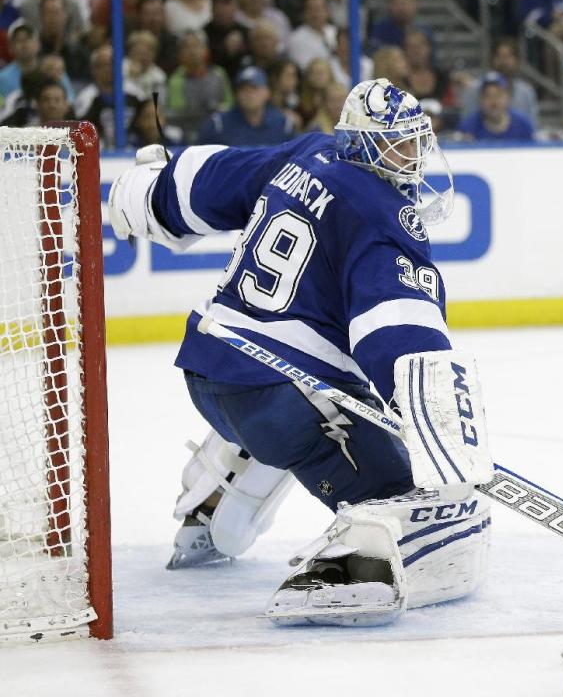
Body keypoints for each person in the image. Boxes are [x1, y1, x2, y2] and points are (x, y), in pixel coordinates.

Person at [106, 77, 493, 627]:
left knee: (335, 401)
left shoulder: (308, 152)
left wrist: (148, 193)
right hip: (282, 401)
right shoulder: (385, 215)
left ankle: (214, 503)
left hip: (210, 369)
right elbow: (396, 331)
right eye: (396, 143)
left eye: (416, 141)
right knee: (417, 509)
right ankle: (338, 575)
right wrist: (439, 423)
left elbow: (208, 182)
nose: (411, 157)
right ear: (360, 143)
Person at [195, 65, 294, 146]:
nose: (248, 93)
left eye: (254, 88)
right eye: (243, 89)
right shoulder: (218, 125)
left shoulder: (283, 124)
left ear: (267, 93)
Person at [457, 71, 535, 141]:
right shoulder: (468, 127)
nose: (493, 101)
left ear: (507, 97)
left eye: (498, 95)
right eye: (487, 95)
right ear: (480, 100)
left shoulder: (524, 125)